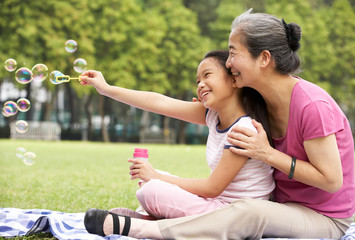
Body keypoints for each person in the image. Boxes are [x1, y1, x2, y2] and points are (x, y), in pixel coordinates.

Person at [82, 9, 355, 239]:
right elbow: (161, 102)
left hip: (324, 218)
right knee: (242, 209)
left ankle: (143, 228)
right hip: (280, 207)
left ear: (263, 58)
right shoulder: (252, 103)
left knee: (250, 211)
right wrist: (108, 89)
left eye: (233, 53)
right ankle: (151, 217)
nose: (229, 63)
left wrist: (268, 154)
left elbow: (331, 181)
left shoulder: (312, 106)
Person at [81, 50, 275, 236]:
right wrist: (106, 88)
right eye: (198, 81)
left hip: (234, 218)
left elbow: (212, 188)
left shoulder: (244, 130)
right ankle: (154, 220)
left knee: (153, 189)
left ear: (234, 79)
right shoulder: (213, 115)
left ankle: (147, 223)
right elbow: (158, 102)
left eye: (207, 76)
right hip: (219, 206)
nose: (200, 84)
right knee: (152, 184)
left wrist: (155, 175)